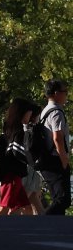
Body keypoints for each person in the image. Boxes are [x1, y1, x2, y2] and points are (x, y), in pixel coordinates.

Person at [0, 98, 40, 216]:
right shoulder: (17, 131)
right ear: (22, 113)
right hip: (12, 175)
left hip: (15, 174)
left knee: (26, 208)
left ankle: (22, 232)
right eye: (29, 114)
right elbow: (17, 151)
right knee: (3, 208)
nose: (30, 117)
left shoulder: (8, 128)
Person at [37, 80, 70, 215]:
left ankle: (55, 230)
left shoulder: (45, 111)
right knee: (63, 199)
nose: (66, 95)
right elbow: (57, 138)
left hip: (47, 160)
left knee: (58, 198)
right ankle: (41, 224)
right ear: (56, 94)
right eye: (65, 92)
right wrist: (64, 161)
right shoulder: (56, 112)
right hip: (55, 160)